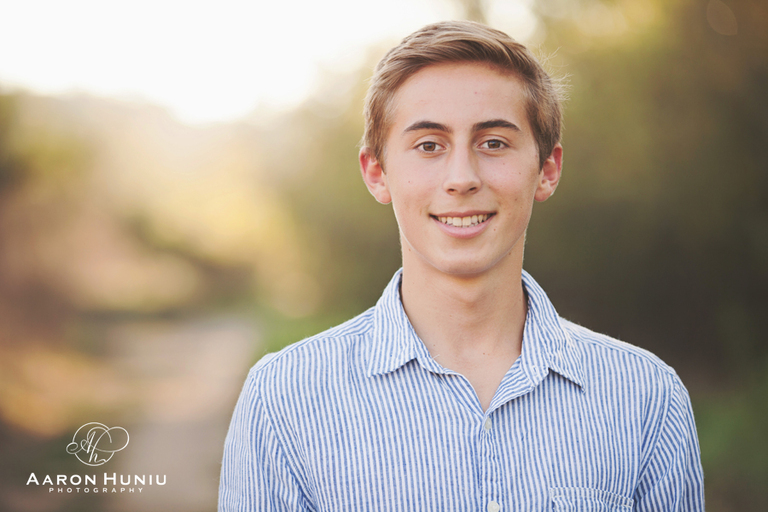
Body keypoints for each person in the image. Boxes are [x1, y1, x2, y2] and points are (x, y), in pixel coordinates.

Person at [219, 21, 704, 511]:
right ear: (377, 173)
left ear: (547, 170)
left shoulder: (646, 398)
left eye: (493, 143)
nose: (461, 178)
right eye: (429, 145)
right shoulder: (283, 399)